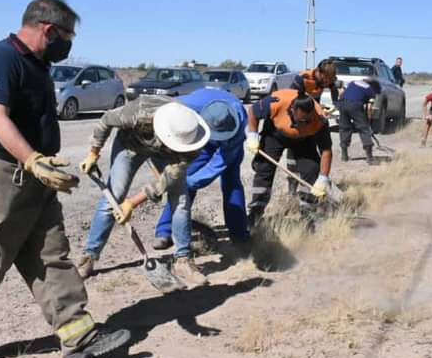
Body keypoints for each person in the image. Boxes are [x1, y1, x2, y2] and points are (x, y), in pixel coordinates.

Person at [0, 0, 130, 358]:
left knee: (52, 255)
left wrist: (43, 164)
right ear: (49, 29)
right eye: (67, 37)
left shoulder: (40, 64)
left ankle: (79, 337)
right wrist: (31, 159)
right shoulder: (3, 56)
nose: (69, 45)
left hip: (38, 177)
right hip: (3, 174)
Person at [77, 96, 211, 286]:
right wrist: (93, 154)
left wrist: (132, 203)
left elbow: (166, 181)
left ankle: (183, 260)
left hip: (167, 156)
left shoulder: (192, 139)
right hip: (130, 147)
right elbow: (105, 120)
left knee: (180, 201)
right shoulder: (139, 113)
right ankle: (89, 256)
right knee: (114, 197)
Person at [153, 87, 250, 250]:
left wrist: (190, 182)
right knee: (184, 179)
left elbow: (217, 165)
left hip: (231, 143)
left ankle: (239, 234)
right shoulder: (186, 106)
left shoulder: (238, 121)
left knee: (231, 183)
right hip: (201, 138)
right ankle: (165, 231)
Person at [245, 89, 333, 228]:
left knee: (311, 170)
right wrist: (253, 135)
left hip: (304, 141)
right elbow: (253, 112)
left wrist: (323, 177)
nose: (302, 125)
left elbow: (326, 151)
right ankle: (256, 210)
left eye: (307, 121)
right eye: (300, 121)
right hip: (275, 134)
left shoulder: (320, 120)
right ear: (291, 110)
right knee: (264, 168)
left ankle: (307, 214)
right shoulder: (275, 103)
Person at [288, 60, 338, 193]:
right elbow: (293, 100)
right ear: (319, 72)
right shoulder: (302, 78)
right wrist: (313, 109)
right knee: (295, 148)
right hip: (300, 115)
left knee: (320, 146)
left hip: (315, 115)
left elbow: (334, 89)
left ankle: (318, 178)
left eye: (330, 80)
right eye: (326, 79)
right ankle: (292, 184)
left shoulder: (327, 78)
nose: (327, 83)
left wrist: (335, 104)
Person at [337, 78, 381, 164]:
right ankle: (369, 157)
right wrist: (368, 121)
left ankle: (344, 154)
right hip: (355, 105)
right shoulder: (370, 90)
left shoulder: (353, 82)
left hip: (342, 104)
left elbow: (341, 93)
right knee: (363, 129)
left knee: (344, 128)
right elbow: (369, 108)